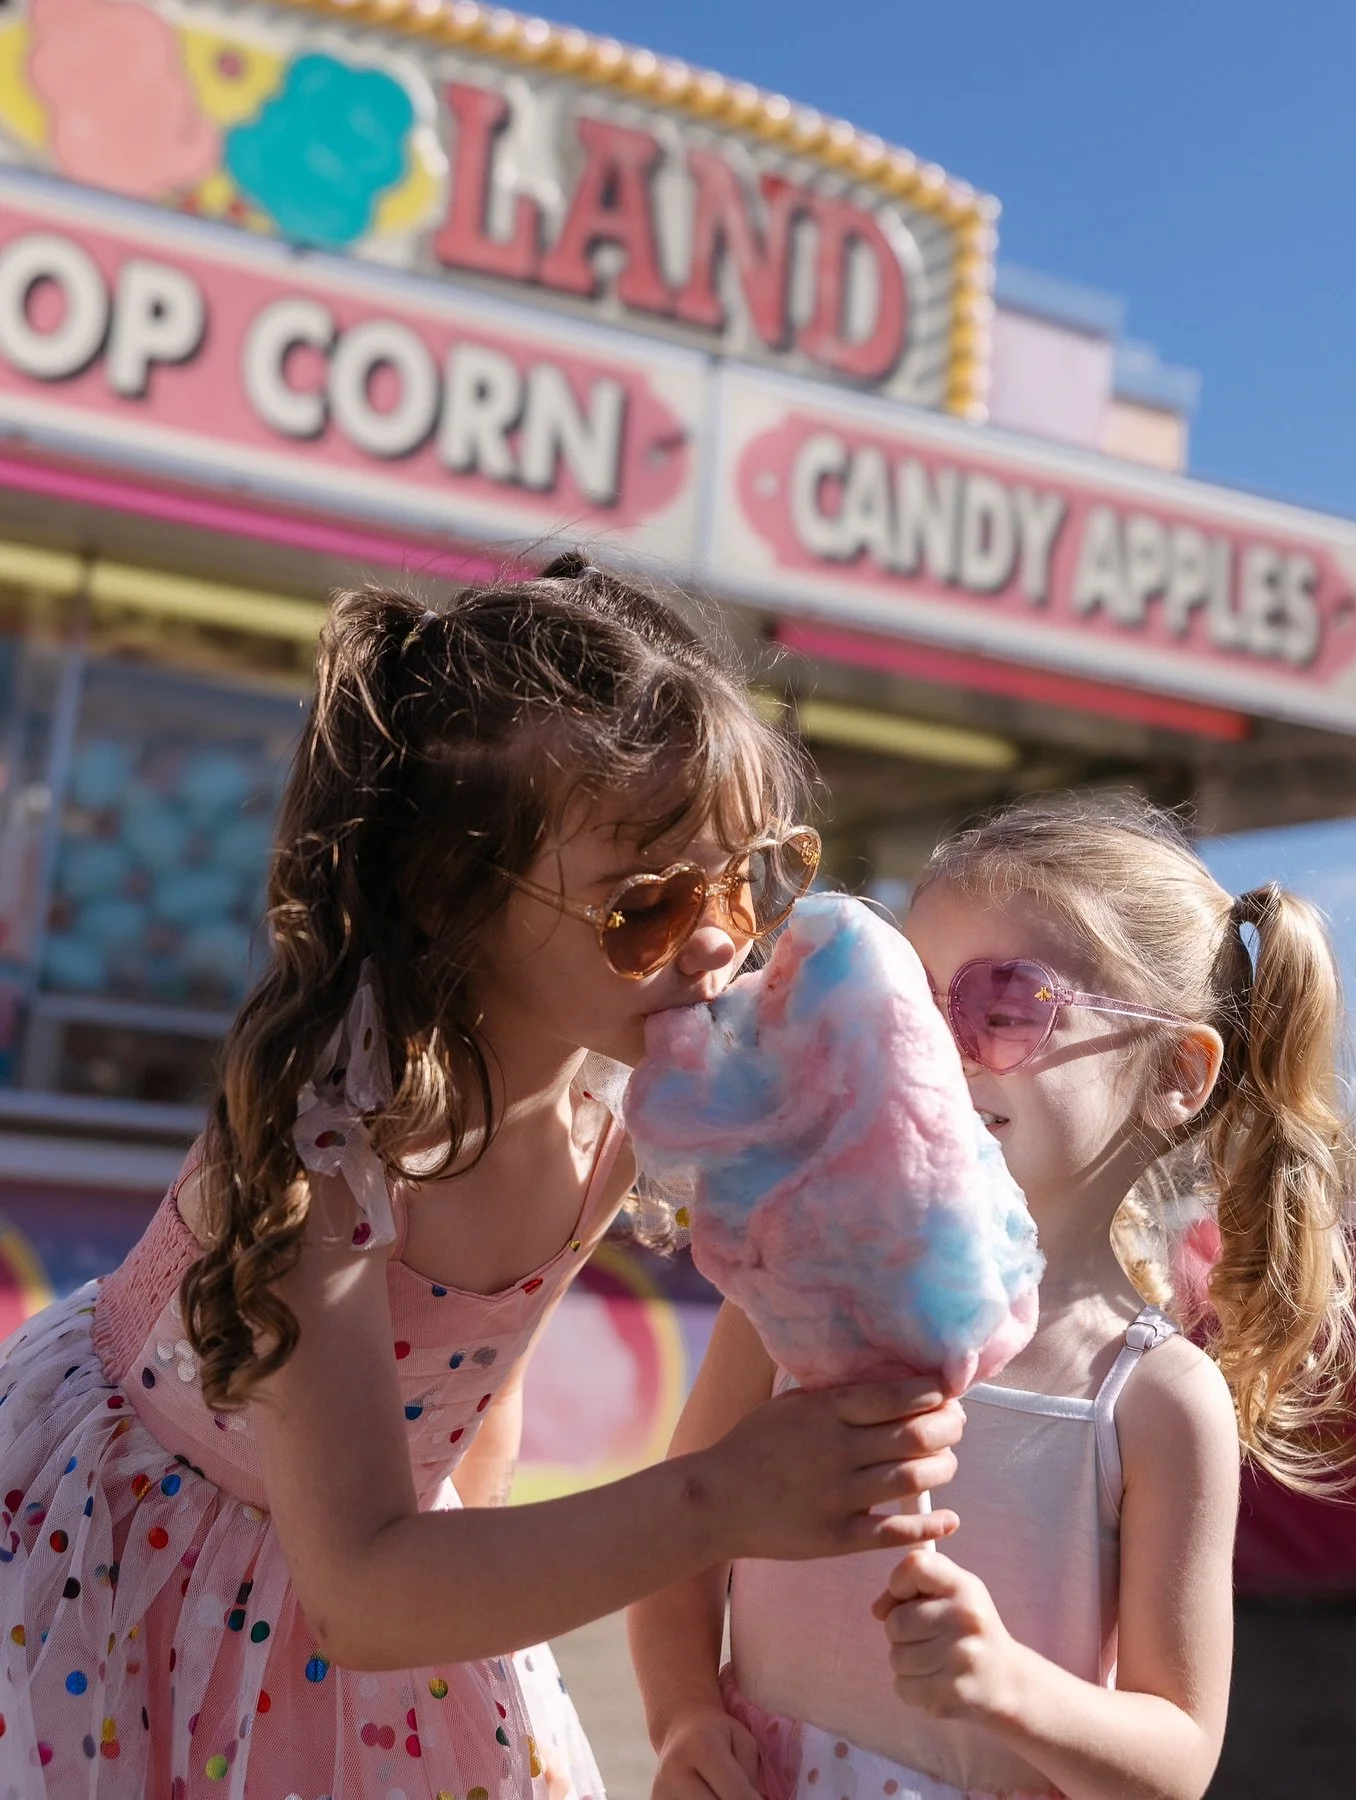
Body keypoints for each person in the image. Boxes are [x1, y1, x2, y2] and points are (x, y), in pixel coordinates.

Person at [0, 558, 965, 1799]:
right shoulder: (333, 1148)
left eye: (751, 878)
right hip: (142, 1576)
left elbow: (483, 1389)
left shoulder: (614, 1108)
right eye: (648, 906)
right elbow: (360, 1593)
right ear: (450, 894)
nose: (722, 940)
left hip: (395, 1564)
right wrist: (720, 1499)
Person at [630, 794, 1356, 1800]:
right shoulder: (782, 1288)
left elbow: (1178, 1757)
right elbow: (675, 1539)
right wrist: (684, 1716)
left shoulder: (1154, 1399)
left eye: (1004, 1006)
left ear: (1177, 1073)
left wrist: (1009, 1687)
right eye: (911, 1001)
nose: (936, 1048)